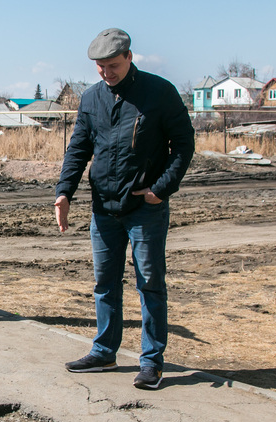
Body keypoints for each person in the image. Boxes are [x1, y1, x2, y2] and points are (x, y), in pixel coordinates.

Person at [55, 29, 195, 389]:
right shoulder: (91, 98)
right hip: (103, 208)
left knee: (149, 284)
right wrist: (64, 192)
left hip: (145, 208)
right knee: (104, 283)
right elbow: (78, 149)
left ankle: (151, 361)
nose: (106, 73)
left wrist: (162, 189)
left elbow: (183, 144)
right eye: (100, 67)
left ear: (129, 57)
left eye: (113, 65)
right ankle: (104, 351)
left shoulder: (159, 92)